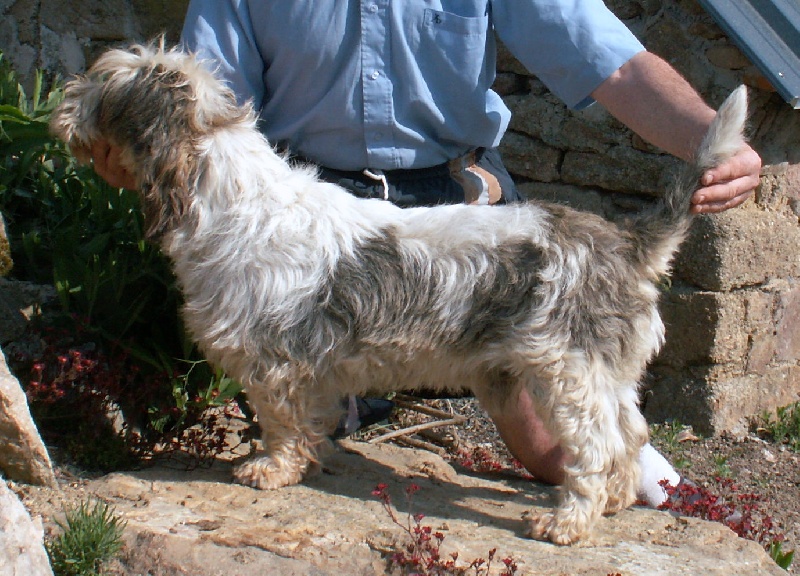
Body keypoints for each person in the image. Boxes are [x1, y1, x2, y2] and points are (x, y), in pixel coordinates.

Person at [89, 1, 761, 506]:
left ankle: (664, 492)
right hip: (310, 216)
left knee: (553, 445)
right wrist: (139, 157)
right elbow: (206, 112)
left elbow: (608, 59)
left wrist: (708, 137)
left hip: (463, 202)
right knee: (307, 403)